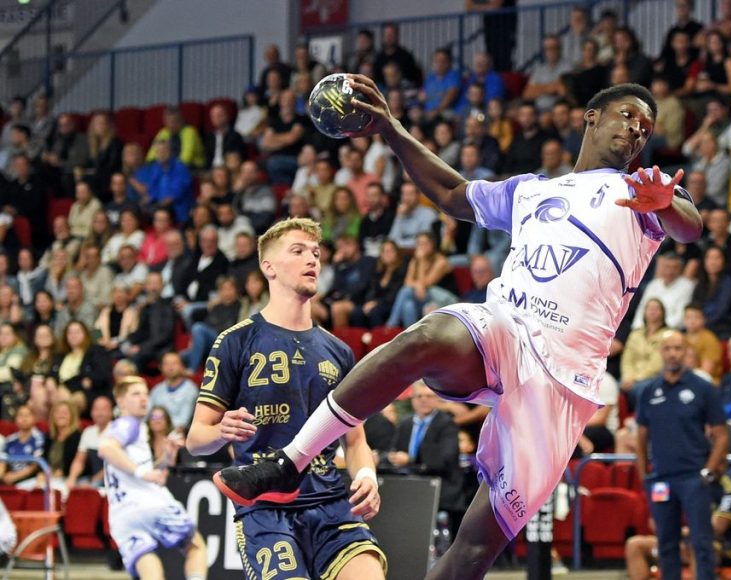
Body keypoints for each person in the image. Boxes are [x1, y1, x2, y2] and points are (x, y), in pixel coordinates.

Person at [212, 78, 702, 579]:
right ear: (591, 117)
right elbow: (450, 192)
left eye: (645, 126)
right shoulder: (532, 191)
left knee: (473, 550)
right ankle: (289, 463)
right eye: (626, 115)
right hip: (507, 329)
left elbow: (690, 225)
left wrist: (665, 202)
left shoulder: (643, 193)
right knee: (428, 336)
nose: (636, 129)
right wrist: (391, 128)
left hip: (562, 383)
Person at [186, 219, 387, 578]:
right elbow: (195, 440)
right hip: (265, 511)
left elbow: (355, 441)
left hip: (331, 505)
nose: (311, 259)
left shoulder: (339, 352)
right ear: (269, 267)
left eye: (315, 252)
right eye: (297, 251)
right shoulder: (234, 341)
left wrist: (368, 476)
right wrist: (220, 432)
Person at [635, 330, 728, 580]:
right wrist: (645, 475)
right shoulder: (648, 390)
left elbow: (721, 435)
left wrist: (707, 471)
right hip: (662, 479)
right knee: (666, 543)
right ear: (661, 352)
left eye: (678, 348)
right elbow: (641, 437)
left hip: (693, 478)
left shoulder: (703, 388)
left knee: (701, 543)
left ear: (687, 351)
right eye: (668, 348)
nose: (673, 353)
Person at [99, 376, 208, 580]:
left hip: (122, 516)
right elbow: (106, 448)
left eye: (145, 394)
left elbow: (142, 469)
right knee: (195, 545)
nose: (143, 399)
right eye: (136, 394)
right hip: (148, 503)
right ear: (121, 401)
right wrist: (143, 473)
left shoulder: (135, 430)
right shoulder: (127, 424)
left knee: (148, 565)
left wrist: (166, 457)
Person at [386, 382, 464, 532]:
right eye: (419, 396)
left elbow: (445, 459)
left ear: (437, 399)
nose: (423, 400)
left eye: (429, 396)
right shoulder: (405, 423)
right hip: (407, 485)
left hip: (440, 487)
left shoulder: (447, 424)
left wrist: (411, 460)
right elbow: (394, 449)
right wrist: (391, 457)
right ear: (412, 399)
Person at [65, 395, 113, 488]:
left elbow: (113, 466)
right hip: (93, 478)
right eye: (96, 409)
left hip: (111, 479)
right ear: (91, 412)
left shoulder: (117, 430)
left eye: (104, 409)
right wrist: (72, 478)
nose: (100, 413)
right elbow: (79, 460)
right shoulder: (88, 432)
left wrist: (92, 482)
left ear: (111, 412)